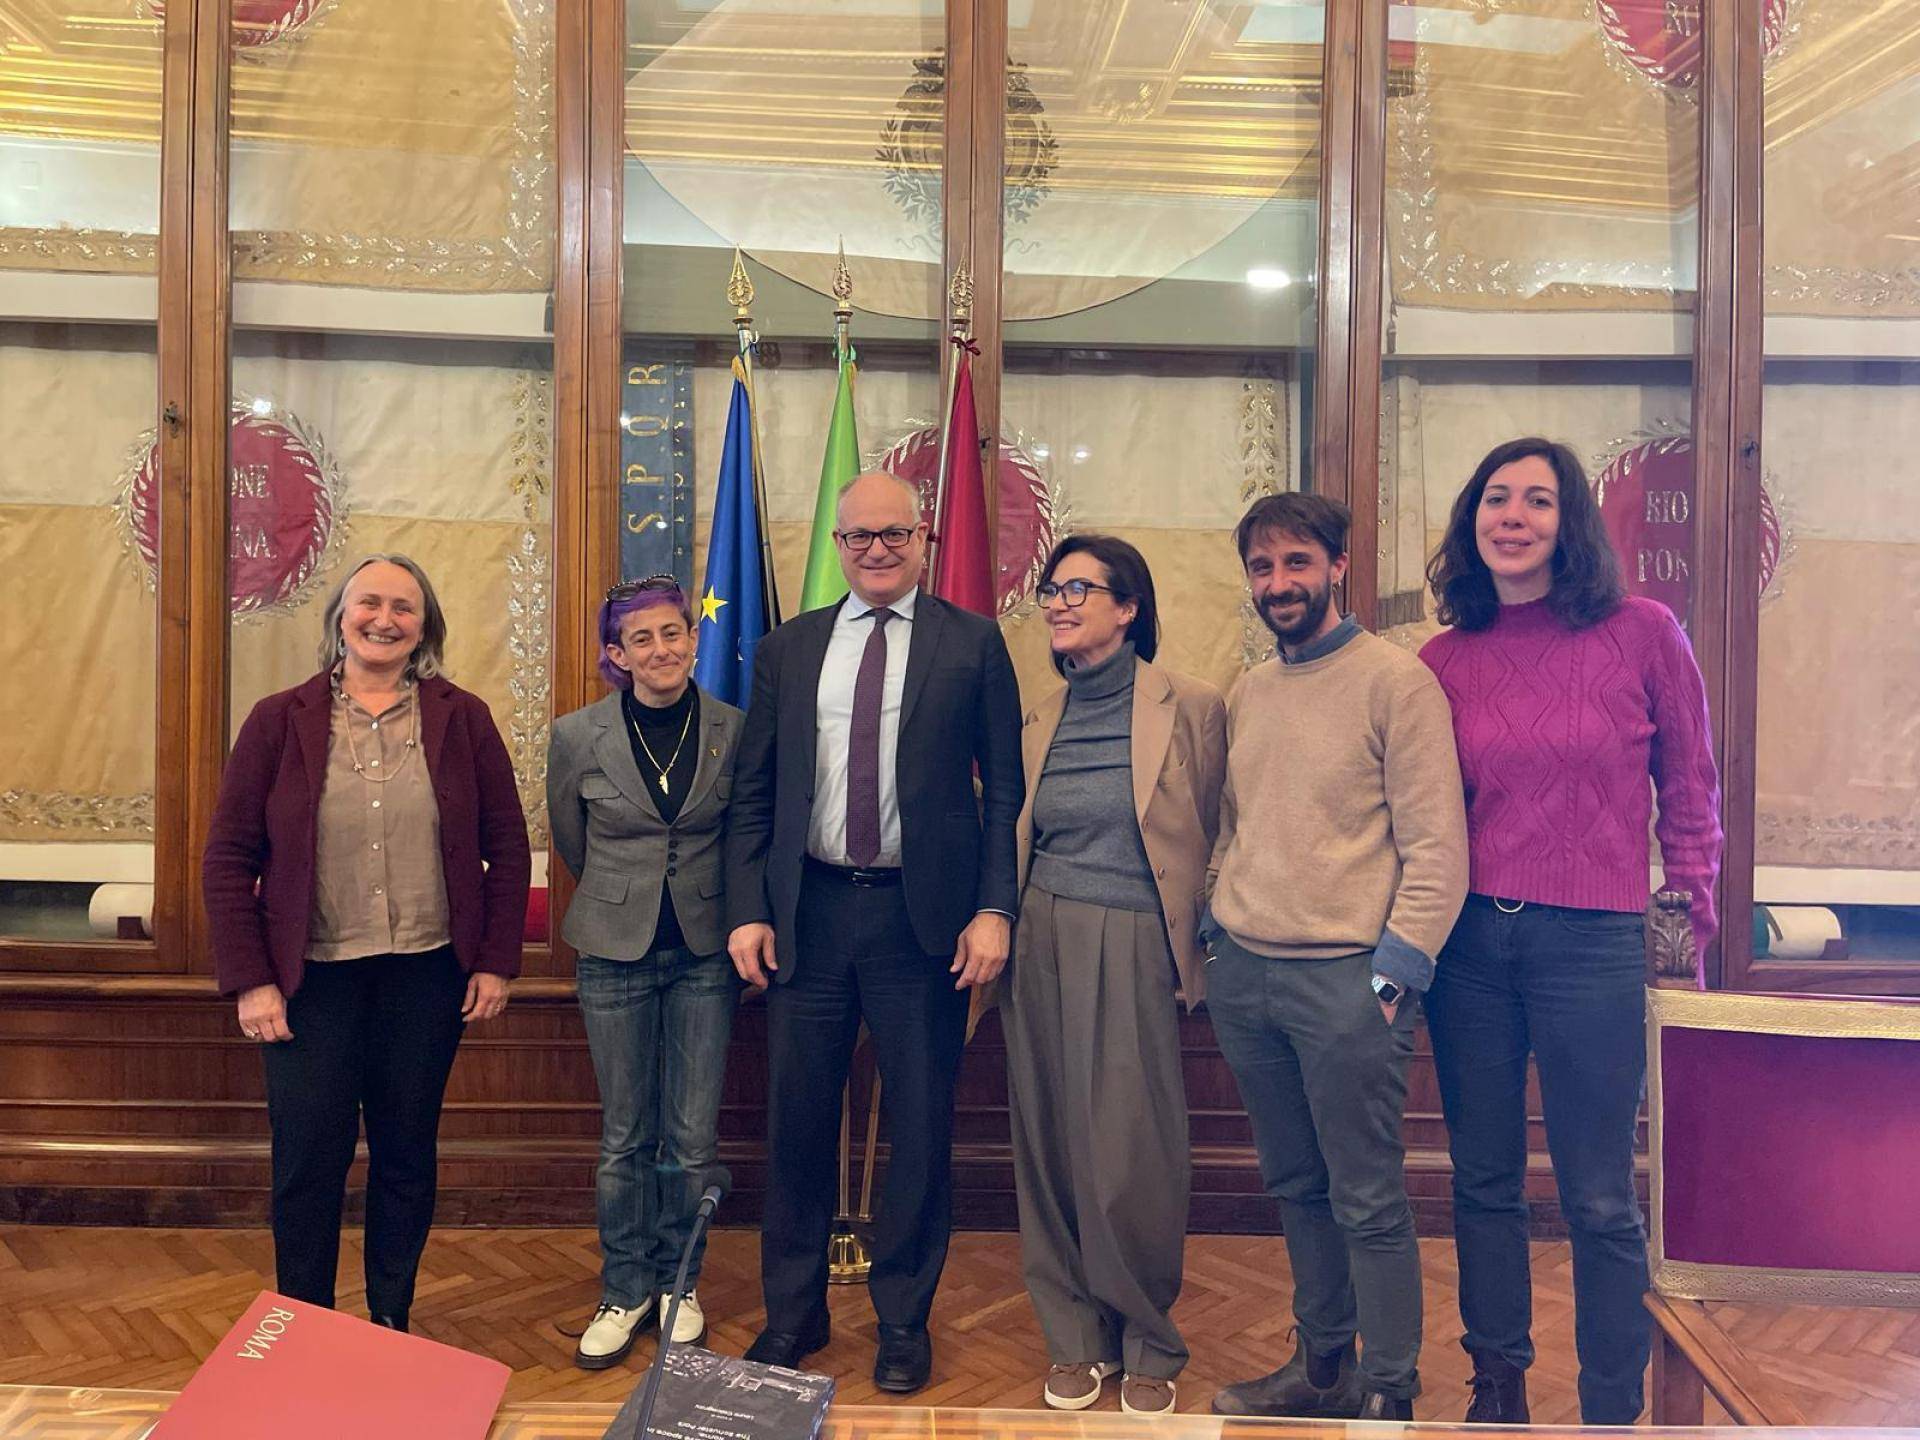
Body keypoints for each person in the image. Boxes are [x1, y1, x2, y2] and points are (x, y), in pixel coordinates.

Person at [1419, 437, 1722, 1426]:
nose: (1512, 516)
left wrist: (1686, 933)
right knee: (1484, 1183)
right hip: (1469, 949)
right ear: (1472, 519)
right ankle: (1497, 1389)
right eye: (1496, 498)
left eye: (1537, 501)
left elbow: (1691, 795)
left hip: (1594, 945)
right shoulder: (1441, 661)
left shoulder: (1644, 631)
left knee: (1598, 1196)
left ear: (1570, 522)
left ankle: (1608, 1409)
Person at [723, 470, 1023, 1394]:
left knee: (921, 1128)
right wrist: (748, 908)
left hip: (919, 921)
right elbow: (754, 792)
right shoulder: (788, 648)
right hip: (808, 915)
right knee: (798, 1123)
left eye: (895, 534)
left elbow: (1005, 790)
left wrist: (995, 908)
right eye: (860, 536)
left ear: (922, 539)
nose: (878, 550)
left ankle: (902, 1320)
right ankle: (793, 1316)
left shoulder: (972, 643)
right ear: (838, 544)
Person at [203, 554, 529, 1332]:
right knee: (307, 1161)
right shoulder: (277, 719)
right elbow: (228, 858)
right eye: (369, 603)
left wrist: (495, 962)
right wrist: (251, 980)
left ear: (425, 627)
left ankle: (390, 1321)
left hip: (426, 977)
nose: (385, 619)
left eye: (404, 607)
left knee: (406, 1156)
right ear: (340, 617)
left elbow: (508, 849)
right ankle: (308, 1326)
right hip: (308, 982)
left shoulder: (464, 718)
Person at [1206, 493, 1467, 1423]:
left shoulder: (1397, 684)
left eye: (1297, 562)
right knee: (1295, 1185)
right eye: (1263, 567)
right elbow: (1232, 825)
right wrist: (1216, 928)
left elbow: (1438, 849)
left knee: (1366, 1198)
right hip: (1246, 977)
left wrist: (1392, 977)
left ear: (1337, 567)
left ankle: (1389, 1392)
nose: (1279, 583)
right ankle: (1322, 1372)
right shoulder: (1249, 690)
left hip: (1349, 985)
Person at [1005, 535, 1225, 1416]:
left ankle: (1148, 1339)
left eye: (1079, 589)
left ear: (1129, 607)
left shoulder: (1191, 706)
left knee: (1133, 1149)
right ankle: (1074, 1339)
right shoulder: (1038, 716)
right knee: (1049, 1141)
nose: (1058, 603)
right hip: (1040, 934)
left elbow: (1217, 829)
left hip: (1136, 935)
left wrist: (1198, 947)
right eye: (1052, 589)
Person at [547, 574, 744, 1368]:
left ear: (693, 640)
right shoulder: (576, 735)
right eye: (641, 639)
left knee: (691, 1139)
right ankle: (624, 1288)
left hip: (705, 953)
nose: (661, 649)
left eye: (672, 633)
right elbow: (570, 837)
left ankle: (679, 1284)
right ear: (617, 655)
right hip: (612, 952)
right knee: (625, 1136)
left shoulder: (733, 727)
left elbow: (745, 832)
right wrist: (623, 897)